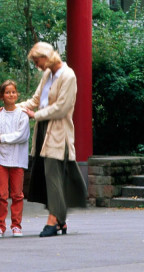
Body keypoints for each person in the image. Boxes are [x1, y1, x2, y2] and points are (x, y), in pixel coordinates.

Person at [18, 42, 87, 237]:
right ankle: (61, 221)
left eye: (37, 61)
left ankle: (53, 220)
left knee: (53, 176)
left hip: (58, 131)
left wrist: (35, 115)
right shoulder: (47, 74)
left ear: (46, 57)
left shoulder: (68, 75)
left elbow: (62, 108)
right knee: (47, 175)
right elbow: (36, 100)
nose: (36, 65)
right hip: (43, 129)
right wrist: (16, 108)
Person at [0, 79, 30, 238]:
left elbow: (22, 136)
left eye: (13, 92)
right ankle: (0, 226)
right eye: (7, 92)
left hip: (17, 159)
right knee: (1, 194)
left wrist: (0, 138)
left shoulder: (22, 114)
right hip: (1, 160)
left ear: (17, 94)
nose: (11, 95)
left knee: (17, 194)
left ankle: (16, 225)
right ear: (1, 96)